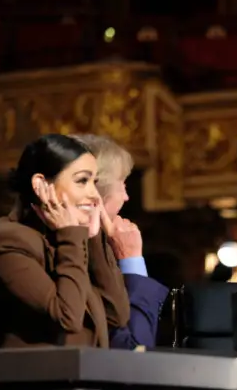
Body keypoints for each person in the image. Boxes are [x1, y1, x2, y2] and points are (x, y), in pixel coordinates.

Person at [0, 134, 130, 347]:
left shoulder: (66, 237)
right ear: (41, 185)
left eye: (94, 182)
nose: (94, 195)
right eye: (82, 181)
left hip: (84, 373)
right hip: (42, 375)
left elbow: (117, 315)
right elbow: (68, 317)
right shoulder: (9, 241)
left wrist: (94, 239)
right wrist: (70, 236)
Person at [71, 134, 169, 349]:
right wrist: (131, 260)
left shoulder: (95, 245)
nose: (126, 196)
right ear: (96, 192)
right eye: (122, 184)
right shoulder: (80, 252)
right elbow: (133, 349)